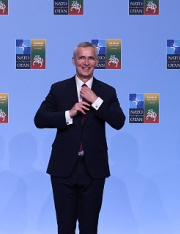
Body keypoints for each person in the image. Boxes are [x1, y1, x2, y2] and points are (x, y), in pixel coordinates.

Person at [34, 41, 125, 234]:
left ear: (97, 61)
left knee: (89, 228)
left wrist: (96, 100)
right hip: (63, 169)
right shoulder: (59, 89)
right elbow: (39, 119)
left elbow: (118, 121)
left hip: (94, 170)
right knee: (65, 228)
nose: (86, 62)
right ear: (73, 60)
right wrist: (69, 113)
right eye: (81, 57)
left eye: (91, 58)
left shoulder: (107, 92)